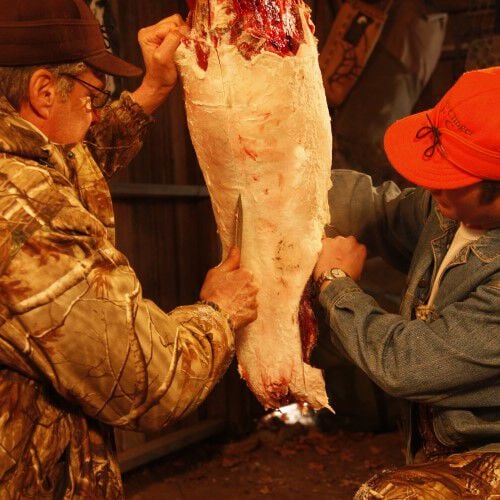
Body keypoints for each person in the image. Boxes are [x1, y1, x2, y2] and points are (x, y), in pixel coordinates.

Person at [0, 1, 258, 497]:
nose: (98, 106)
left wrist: (153, 89)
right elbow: (145, 380)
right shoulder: (30, 220)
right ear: (43, 90)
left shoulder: (24, 156)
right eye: (94, 90)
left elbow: (74, 156)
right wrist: (219, 313)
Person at [312, 66, 500, 498]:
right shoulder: (452, 210)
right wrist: (288, 182)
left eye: (452, 179)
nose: (432, 186)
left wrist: (335, 282)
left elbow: (407, 365)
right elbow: (380, 212)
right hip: (441, 446)